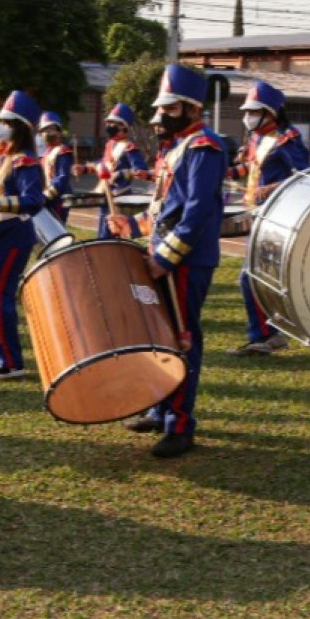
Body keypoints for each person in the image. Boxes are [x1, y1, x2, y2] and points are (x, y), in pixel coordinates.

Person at [122, 64, 226, 459]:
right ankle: (161, 406)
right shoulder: (176, 149)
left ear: (188, 108)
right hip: (165, 257)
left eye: (168, 109)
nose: (159, 117)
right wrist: (131, 224)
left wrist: (165, 258)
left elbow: (196, 214)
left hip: (187, 260)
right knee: (158, 335)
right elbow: (167, 209)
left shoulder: (205, 147)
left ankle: (180, 424)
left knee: (181, 338)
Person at [230, 81, 310, 356]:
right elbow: (251, 168)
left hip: (278, 214)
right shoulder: (256, 138)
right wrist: (229, 173)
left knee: (251, 276)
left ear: (270, 113)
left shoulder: (287, 138)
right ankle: (270, 333)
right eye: (247, 110)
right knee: (258, 276)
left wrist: (271, 188)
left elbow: (302, 176)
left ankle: (268, 334)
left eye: (254, 111)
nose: (248, 116)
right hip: (258, 213)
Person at [0, 91, 48, 380]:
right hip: (0, 233)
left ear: (19, 127)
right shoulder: (8, 158)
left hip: (15, 235)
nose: (0, 125)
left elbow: (33, 200)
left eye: (6, 121)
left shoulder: (26, 161)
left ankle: (10, 361)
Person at [81, 102, 148, 239]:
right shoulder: (110, 145)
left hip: (119, 196)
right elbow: (104, 165)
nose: (110, 127)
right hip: (105, 193)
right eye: (109, 123)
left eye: (114, 123)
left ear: (124, 127)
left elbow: (140, 170)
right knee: (102, 233)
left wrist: (121, 173)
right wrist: (85, 168)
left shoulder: (129, 147)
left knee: (113, 233)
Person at [38, 110, 75, 219]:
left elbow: (62, 177)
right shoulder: (45, 154)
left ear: (58, 131)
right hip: (46, 198)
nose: (47, 133)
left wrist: (48, 194)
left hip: (59, 198)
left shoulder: (63, 151)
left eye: (50, 129)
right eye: (44, 130)